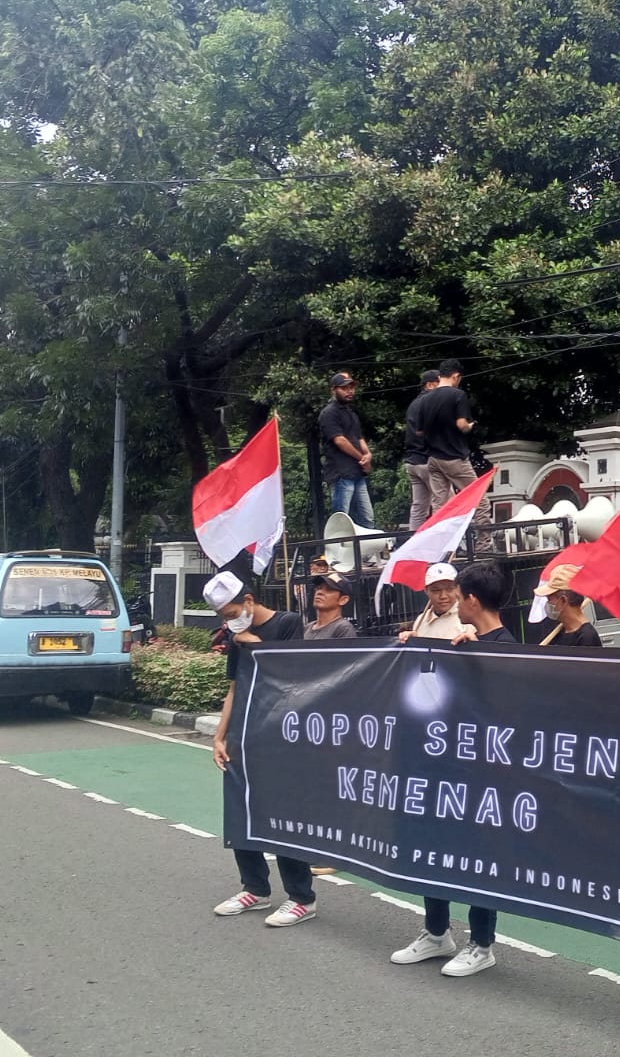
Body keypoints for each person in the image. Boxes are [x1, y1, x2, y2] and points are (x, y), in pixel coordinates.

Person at [390, 561, 514, 977]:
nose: (452, 603)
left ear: (471, 600)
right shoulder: (460, 642)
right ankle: (437, 932)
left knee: (478, 858)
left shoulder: (503, 645)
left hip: (483, 776)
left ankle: (482, 943)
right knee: (433, 846)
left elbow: (505, 706)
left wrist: (478, 655)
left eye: (457, 596)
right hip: (443, 768)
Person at [204, 571, 315, 927]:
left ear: (249, 601)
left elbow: (291, 674)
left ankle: (301, 898)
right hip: (244, 734)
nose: (229, 621)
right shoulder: (235, 636)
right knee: (242, 809)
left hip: (283, 737)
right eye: (223, 617)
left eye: (231, 613)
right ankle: (254, 888)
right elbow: (235, 687)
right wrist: (220, 736)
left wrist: (253, 642)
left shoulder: (287, 623)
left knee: (283, 814)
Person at [418, 359, 493, 552]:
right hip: (454, 457)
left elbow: (419, 431)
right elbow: (461, 424)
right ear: (456, 376)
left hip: (433, 459)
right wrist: (469, 426)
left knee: (440, 505)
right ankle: (484, 545)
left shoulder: (425, 399)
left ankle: (440, 548)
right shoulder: (458, 395)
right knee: (480, 499)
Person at [319, 371, 374, 526]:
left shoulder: (351, 413)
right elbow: (340, 440)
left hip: (357, 472)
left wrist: (368, 455)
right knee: (342, 521)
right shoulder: (329, 413)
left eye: (351, 387)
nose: (349, 391)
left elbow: (359, 437)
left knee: (368, 518)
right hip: (341, 474)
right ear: (333, 389)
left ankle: (368, 543)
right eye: (344, 388)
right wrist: (362, 458)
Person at [403, 368, 441, 530]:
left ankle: (414, 539)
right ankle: (446, 542)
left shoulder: (414, 404)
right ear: (430, 385)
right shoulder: (431, 403)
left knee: (419, 506)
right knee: (446, 502)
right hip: (427, 461)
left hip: (413, 462)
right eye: (441, 382)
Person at [528, 565, 603, 646]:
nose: (547, 604)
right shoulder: (557, 632)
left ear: (563, 600)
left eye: (549, 599)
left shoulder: (587, 637)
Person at [396, 562, 472, 643]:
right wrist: (411, 640)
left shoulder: (468, 617)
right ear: (426, 591)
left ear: (458, 589)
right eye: (436, 590)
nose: (443, 596)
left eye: (449, 589)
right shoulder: (421, 620)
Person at [304, 570, 358, 640]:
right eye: (318, 588)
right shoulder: (306, 628)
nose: (319, 592)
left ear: (343, 600)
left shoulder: (343, 629)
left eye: (329, 590)